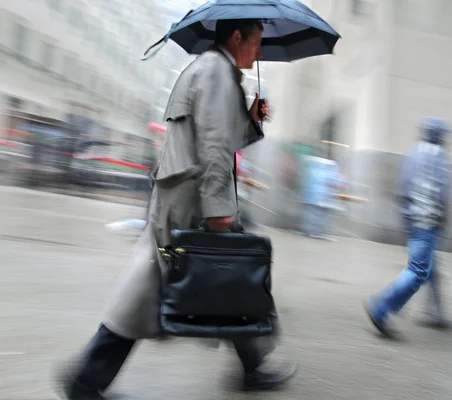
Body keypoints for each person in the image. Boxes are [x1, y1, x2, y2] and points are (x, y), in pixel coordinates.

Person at [54, 19, 296, 400]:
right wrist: (219, 209)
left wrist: (251, 119)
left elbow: (224, 135)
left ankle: (252, 366)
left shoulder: (215, 70)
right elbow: (215, 146)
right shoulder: (216, 72)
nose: (259, 51)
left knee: (231, 279)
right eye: (257, 41)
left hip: (185, 196)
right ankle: (85, 380)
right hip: (193, 202)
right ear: (237, 37)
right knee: (214, 280)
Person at [364, 117, 452, 337]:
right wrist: (443, 217)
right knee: (419, 271)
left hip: (413, 219)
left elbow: (402, 189)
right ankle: (381, 308)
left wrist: (406, 218)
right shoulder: (439, 157)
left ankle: (435, 314)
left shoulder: (413, 152)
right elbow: (442, 193)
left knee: (430, 269)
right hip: (427, 221)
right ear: (439, 136)